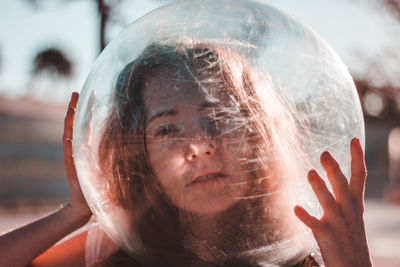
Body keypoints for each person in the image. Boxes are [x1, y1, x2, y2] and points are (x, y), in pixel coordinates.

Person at [0, 43, 372, 267]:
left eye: (217, 118)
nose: (200, 145)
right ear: (142, 157)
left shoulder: (300, 254)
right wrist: (76, 213)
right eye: (167, 129)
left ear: (256, 134)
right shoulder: (117, 247)